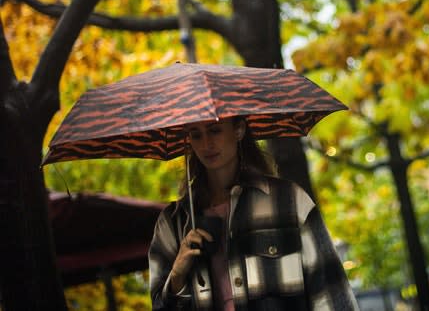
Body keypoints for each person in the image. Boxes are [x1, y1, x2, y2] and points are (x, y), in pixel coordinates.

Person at [148, 117, 359, 311]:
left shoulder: (289, 202)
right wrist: (177, 276)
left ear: (239, 129)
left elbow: (331, 294)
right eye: (196, 134)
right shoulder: (173, 224)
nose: (206, 144)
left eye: (214, 130)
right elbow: (160, 307)